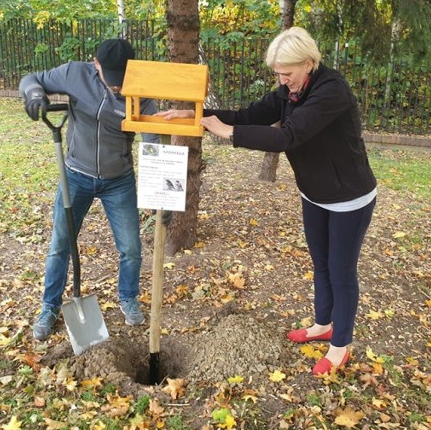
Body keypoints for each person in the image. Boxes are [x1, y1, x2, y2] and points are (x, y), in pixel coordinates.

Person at [157, 27, 377, 376]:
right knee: (321, 263)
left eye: (287, 73)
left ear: (308, 63)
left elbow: (289, 136)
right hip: (315, 193)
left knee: (341, 270)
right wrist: (198, 117)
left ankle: (340, 345)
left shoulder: (331, 91)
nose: (282, 80)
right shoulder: (292, 91)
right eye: (278, 73)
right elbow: (250, 115)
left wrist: (229, 134)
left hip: (349, 196)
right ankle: (323, 325)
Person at [19, 38, 158, 341]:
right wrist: (33, 95)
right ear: (96, 64)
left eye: (124, 78)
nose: (119, 87)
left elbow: (152, 143)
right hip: (76, 176)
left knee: (131, 248)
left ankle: (129, 297)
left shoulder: (142, 89)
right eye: (113, 79)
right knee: (60, 244)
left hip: (118, 179)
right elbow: (31, 79)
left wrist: (159, 194)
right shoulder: (75, 74)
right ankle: (50, 306)